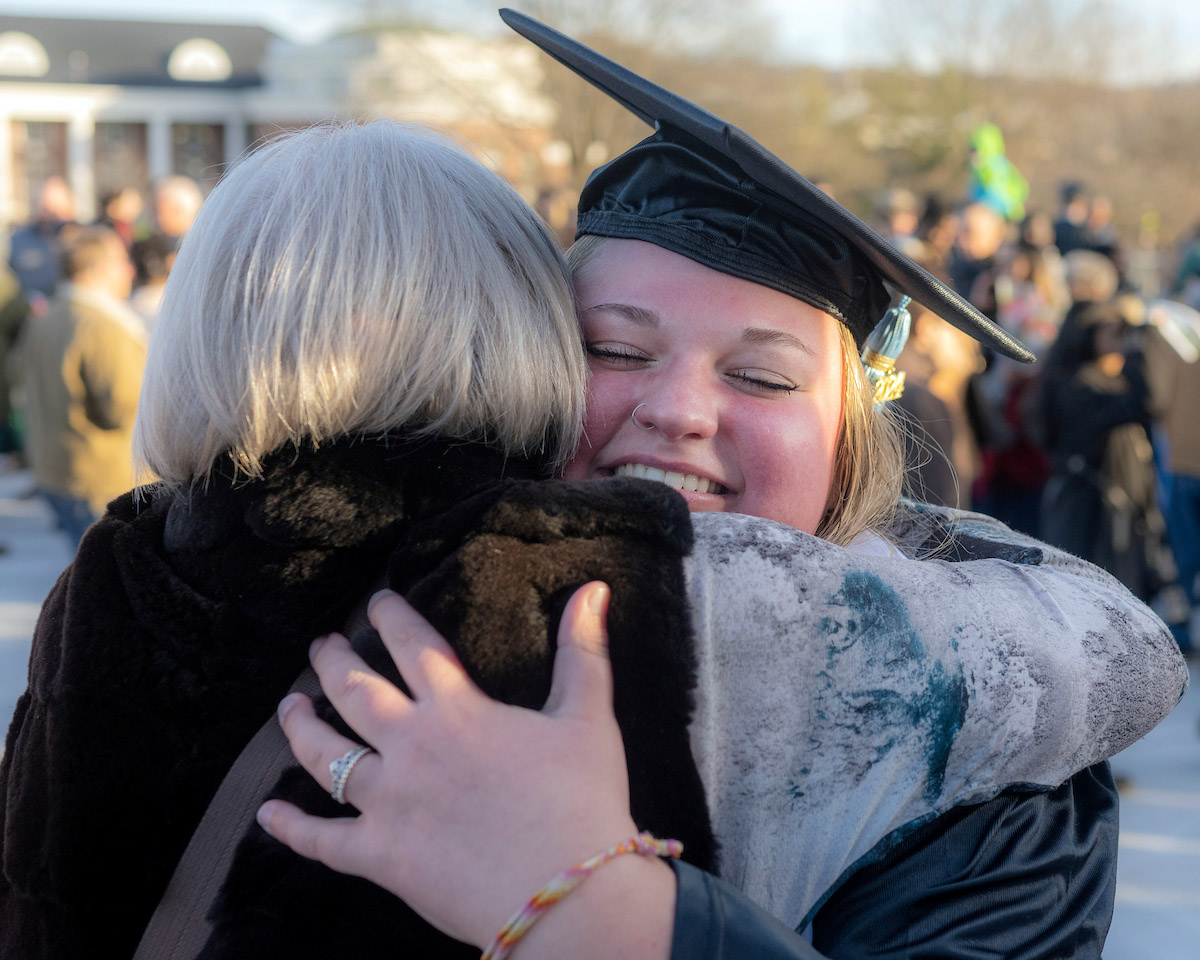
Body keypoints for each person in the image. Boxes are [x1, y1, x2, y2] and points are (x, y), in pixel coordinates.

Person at [0, 31, 1186, 960]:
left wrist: (608, 914)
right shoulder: (320, 605)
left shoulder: (974, 754)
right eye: (614, 350)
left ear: (852, 432)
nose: (677, 409)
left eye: (762, 374)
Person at [11, 225, 144, 546]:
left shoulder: (48, 316)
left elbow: (17, 375)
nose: (130, 270)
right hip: (101, 478)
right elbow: (125, 409)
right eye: (121, 260)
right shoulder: (101, 325)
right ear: (97, 269)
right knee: (111, 583)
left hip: (57, 471)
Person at [7, 176, 75, 315]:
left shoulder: (79, 240)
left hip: (69, 316)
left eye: (56, 210)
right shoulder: (17, 241)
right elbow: (9, 283)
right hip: (30, 317)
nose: (50, 216)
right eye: (45, 209)